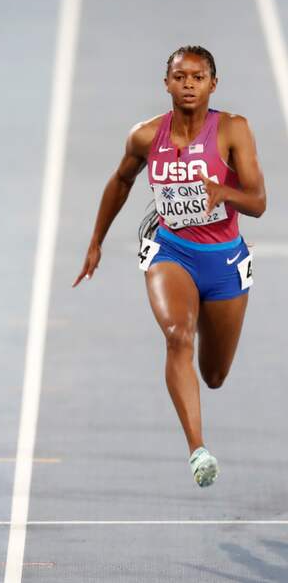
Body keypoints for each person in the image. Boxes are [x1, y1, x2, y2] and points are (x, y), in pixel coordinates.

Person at [74, 46, 266, 488]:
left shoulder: (233, 130)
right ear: (166, 83)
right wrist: (95, 242)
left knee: (214, 375)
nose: (189, 85)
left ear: (213, 84)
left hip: (224, 260)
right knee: (178, 335)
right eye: (180, 77)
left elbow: (258, 201)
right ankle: (198, 450)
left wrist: (225, 193)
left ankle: (202, 326)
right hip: (170, 250)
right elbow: (121, 180)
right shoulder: (146, 136)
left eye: (198, 78)